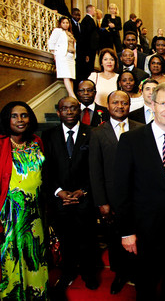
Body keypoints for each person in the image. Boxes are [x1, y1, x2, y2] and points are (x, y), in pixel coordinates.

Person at [113, 83, 165, 300]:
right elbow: (121, 189)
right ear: (152, 105)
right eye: (163, 104)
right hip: (143, 230)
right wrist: (126, 231)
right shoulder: (131, 140)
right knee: (146, 286)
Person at [42, 97, 99, 296]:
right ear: (58, 112)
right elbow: (45, 168)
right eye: (64, 108)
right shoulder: (48, 136)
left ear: (79, 110)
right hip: (60, 199)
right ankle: (67, 272)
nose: (69, 111)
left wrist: (83, 190)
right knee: (66, 238)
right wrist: (58, 192)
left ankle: (89, 273)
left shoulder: (92, 133)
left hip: (85, 197)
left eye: (73, 108)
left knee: (88, 239)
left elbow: (96, 167)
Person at [89, 91, 143, 295]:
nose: (120, 106)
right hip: (111, 199)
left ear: (130, 105)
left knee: (137, 237)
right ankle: (120, 274)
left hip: (138, 196)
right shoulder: (97, 133)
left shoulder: (140, 129)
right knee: (115, 239)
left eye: (124, 103)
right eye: (115, 102)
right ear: (107, 105)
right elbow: (95, 170)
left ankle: (137, 273)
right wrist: (101, 202)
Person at [0, 102, 48, 300]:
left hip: (35, 211)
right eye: (14, 116)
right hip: (9, 211)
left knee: (34, 255)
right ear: (6, 119)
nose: (20, 120)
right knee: (12, 256)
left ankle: (38, 295)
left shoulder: (37, 141)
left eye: (24, 115)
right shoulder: (2, 143)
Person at [48, 16, 77, 96]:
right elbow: (51, 42)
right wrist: (55, 54)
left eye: (67, 23)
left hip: (71, 56)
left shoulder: (70, 33)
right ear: (60, 24)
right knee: (66, 76)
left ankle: (71, 95)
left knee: (71, 77)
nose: (65, 24)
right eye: (63, 23)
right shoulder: (58, 31)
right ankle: (73, 96)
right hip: (63, 55)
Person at [77, 4, 99, 81]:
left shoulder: (88, 20)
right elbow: (86, 37)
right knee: (88, 68)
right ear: (91, 10)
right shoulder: (87, 20)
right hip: (88, 50)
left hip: (90, 49)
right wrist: (87, 53)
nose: (95, 12)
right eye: (94, 10)